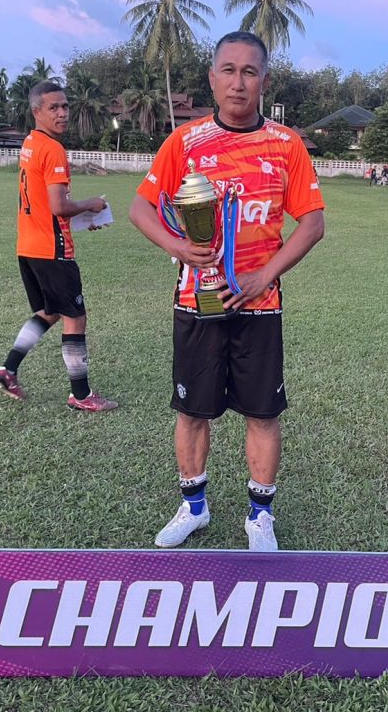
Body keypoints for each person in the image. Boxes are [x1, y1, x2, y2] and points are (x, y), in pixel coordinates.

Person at [129, 31, 325, 552]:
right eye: (229, 70)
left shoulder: (286, 145)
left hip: (259, 304)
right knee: (192, 410)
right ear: (212, 78)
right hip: (199, 300)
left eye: (250, 72)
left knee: (263, 413)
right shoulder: (185, 142)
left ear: (265, 80)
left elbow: (312, 224)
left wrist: (265, 275)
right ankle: (193, 507)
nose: (239, 82)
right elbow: (140, 208)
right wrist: (178, 244)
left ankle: (260, 518)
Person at [0, 80, 117, 413]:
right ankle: (81, 395)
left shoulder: (30, 143)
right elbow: (59, 206)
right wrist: (91, 205)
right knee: (75, 317)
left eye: (65, 106)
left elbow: (46, 204)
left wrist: (80, 216)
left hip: (29, 245)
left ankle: (7, 370)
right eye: (54, 108)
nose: (62, 113)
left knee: (51, 310)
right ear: (36, 111)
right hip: (52, 249)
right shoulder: (53, 148)